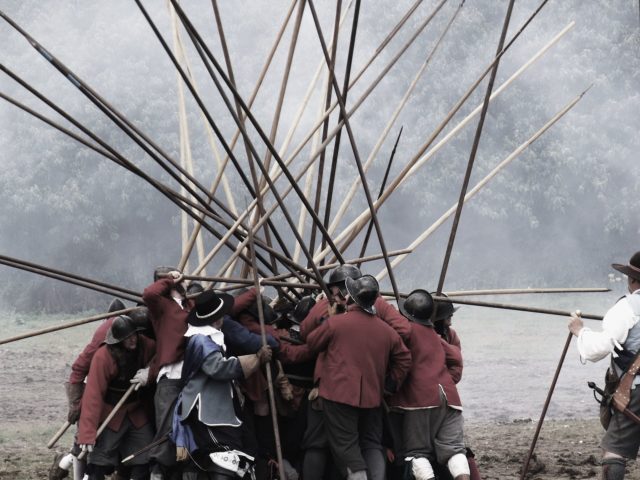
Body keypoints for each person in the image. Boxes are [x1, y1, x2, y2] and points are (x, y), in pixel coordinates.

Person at [306, 275, 412, 480]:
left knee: (347, 448)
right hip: (373, 398)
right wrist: (389, 384)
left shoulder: (336, 324)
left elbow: (311, 344)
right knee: (371, 444)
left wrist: (329, 318)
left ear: (350, 298)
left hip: (338, 396)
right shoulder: (387, 331)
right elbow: (404, 359)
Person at [172, 289, 273, 479]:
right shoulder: (200, 340)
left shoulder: (208, 337)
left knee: (239, 450)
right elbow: (219, 369)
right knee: (223, 455)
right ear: (217, 318)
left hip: (218, 408)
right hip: (206, 410)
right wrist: (256, 358)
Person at [568, 251, 640, 480]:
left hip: (636, 390)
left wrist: (579, 330)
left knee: (613, 451)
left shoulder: (627, 308)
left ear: (632, 280)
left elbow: (598, 347)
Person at [388, 289, 469, 480]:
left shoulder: (409, 332)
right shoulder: (433, 335)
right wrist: (445, 378)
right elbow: (456, 358)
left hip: (421, 399)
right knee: (455, 450)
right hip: (449, 397)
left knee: (417, 452)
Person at [77, 315, 156, 479]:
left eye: (134, 335)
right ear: (118, 340)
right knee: (99, 462)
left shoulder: (146, 344)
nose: (132, 340)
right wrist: (87, 433)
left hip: (136, 412)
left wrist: (151, 370)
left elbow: (162, 353)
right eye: (127, 338)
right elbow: (93, 396)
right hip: (111, 414)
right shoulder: (103, 356)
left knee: (145, 455)